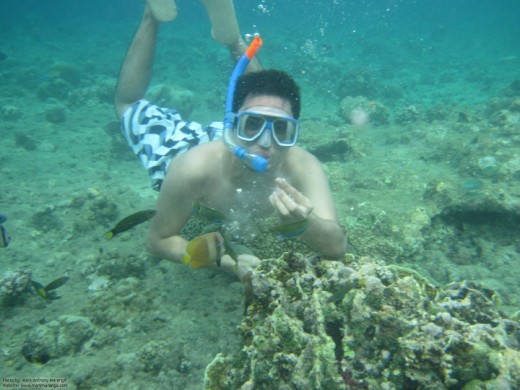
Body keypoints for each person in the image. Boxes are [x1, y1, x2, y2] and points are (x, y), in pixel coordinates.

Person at [114, 0, 346, 282]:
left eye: (282, 129)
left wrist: (305, 224)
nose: (265, 143)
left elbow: (336, 246)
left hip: (231, 140)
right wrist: (225, 264)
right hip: (195, 147)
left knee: (264, 100)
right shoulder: (191, 168)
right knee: (128, 106)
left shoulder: (304, 167)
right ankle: (152, 16)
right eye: (252, 125)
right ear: (231, 126)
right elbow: (157, 240)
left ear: (294, 134)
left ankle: (233, 39)